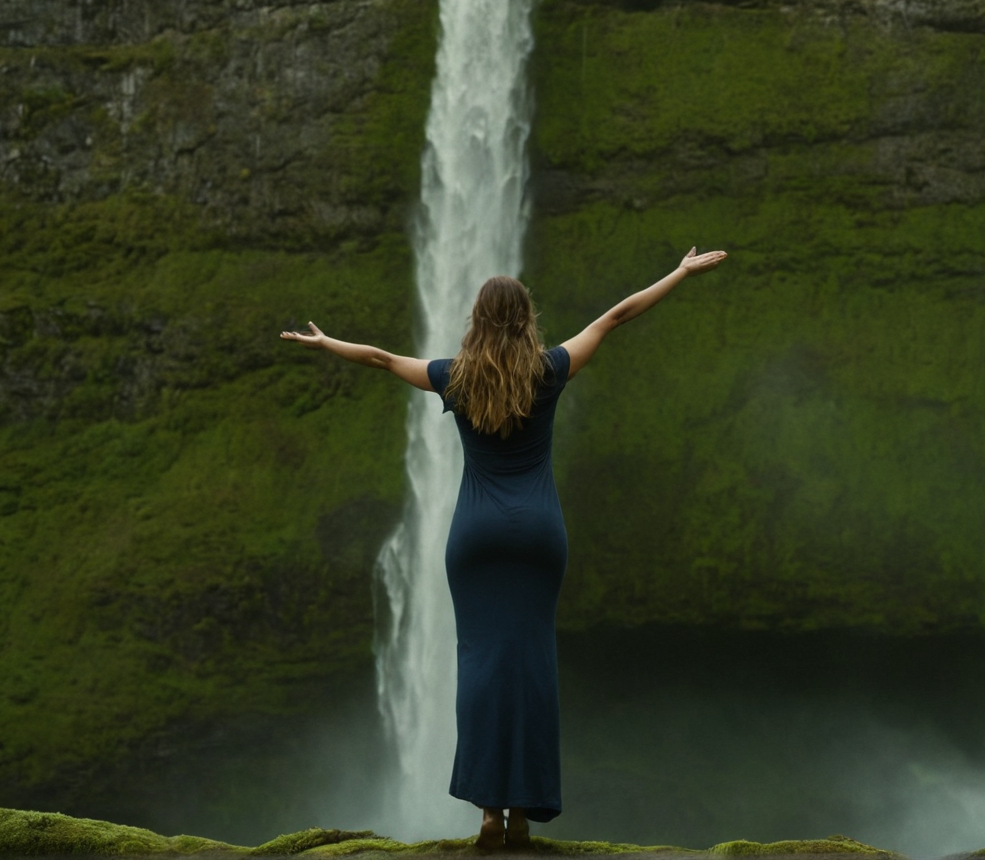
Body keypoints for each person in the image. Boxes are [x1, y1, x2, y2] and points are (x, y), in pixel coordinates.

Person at [279, 247, 728, 848]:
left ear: (477, 320)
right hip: (539, 534)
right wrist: (678, 272)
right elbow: (616, 317)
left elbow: (383, 359)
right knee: (533, 664)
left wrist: (327, 341)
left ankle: (488, 811)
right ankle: (523, 814)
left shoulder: (454, 376)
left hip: (476, 537)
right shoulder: (550, 369)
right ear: (525, 319)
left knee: (482, 665)